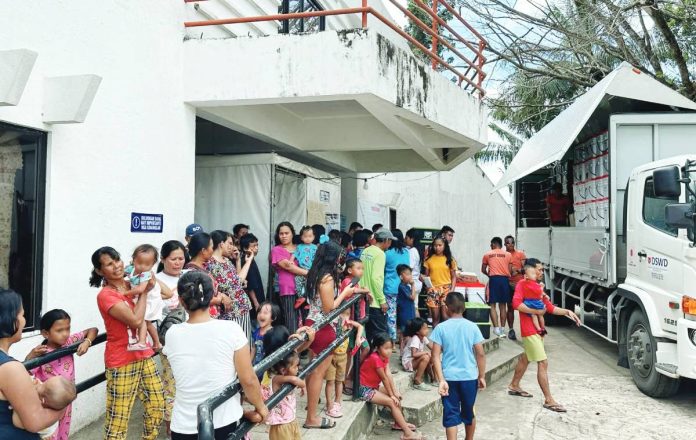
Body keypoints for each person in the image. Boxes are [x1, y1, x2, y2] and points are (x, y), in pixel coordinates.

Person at [163, 271, 268, 439]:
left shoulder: (172, 333)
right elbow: (248, 379)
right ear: (213, 295)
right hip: (222, 421)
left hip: (183, 425)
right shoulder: (231, 329)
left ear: (182, 301)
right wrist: (261, 407)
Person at [90, 247, 164, 440]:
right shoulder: (106, 295)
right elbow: (135, 320)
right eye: (109, 264)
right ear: (100, 271)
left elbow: (164, 292)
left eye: (117, 260)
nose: (117, 266)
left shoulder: (131, 279)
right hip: (121, 361)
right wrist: (145, 292)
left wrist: (151, 279)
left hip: (144, 354)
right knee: (118, 419)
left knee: (157, 404)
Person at [508, 258, 581, 412]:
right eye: (538, 270)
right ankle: (548, 399)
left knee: (526, 357)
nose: (541, 272)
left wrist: (568, 312)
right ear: (529, 271)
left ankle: (514, 385)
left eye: (542, 270)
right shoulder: (522, 284)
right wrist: (535, 311)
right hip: (529, 331)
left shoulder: (538, 287)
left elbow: (549, 308)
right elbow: (516, 304)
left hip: (537, 331)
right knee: (543, 362)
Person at [303, 241, 359, 429]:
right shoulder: (327, 278)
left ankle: (311, 410)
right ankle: (312, 418)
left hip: (312, 322)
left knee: (313, 371)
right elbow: (329, 308)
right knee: (319, 373)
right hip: (324, 327)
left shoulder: (314, 273)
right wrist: (345, 293)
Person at [0, 289, 67, 439]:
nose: (24, 320)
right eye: (22, 315)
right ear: (10, 319)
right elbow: (35, 422)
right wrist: (62, 408)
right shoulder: (9, 369)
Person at [23, 309, 97, 440]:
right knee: (50, 434)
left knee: (63, 432)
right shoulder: (42, 353)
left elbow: (93, 330)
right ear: (46, 333)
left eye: (67, 329)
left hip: (65, 401)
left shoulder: (68, 342)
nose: (65, 334)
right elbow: (25, 373)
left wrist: (87, 342)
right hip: (48, 405)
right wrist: (31, 355)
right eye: (59, 330)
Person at [431, 291, 486, 440]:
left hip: (449, 378)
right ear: (464, 308)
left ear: (447, 308)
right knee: (469, 412)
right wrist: (481, 376)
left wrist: (441, 379)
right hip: (469, 377)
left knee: (451, 415)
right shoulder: (472, 327)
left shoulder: (440, 328)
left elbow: (435, 355)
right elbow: (480, 354)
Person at [358, 333, 423, 439]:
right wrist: (391, 395)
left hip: (372, 387)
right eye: (386, 348)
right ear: (377, 348)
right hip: (363, 389)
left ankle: (399, 424)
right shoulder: (375, 358)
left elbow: (388, 375)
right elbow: (384, 379)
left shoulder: (384, 357)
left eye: (390, 347)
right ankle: (408, 434)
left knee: (397, 396)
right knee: (391, 402)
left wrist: (394, 392)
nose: (389, 351)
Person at [156, 240, 188, 437]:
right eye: (173, 259)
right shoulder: (156, 280)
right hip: (170, 340)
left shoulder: (189, 275)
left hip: (193, 337)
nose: (178, 263)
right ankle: (170, 428)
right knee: (171, 383)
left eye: (181, 259)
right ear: (163, 259)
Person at [260, 325, 315, 440]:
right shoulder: (276, 374)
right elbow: (293, 370)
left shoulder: (281, 364)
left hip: (289, 419)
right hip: (281, 423)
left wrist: (299, 337)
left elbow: (294, 355)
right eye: (287, 343)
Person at [205, 230, 254, 340]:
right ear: (221, 244)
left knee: (244, 342)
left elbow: (239, 280)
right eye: (230, 243)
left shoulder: (226, 261)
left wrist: (243, 261)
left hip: (241, 308)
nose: (232, 247)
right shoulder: (210, 263)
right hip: (228, 312)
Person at [123, 244, 164, 351]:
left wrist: (125, 293)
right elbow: (121, 274)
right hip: (142, 297)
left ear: (153, 264)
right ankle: (157, 343)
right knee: (148, 323)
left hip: (151, 298)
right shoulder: (130, 269)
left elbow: (141, 289)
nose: (142, 267)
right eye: (139, 263)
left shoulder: (146, 274)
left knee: (143, 320)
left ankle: (142, 342)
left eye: (147, 264)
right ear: (133, 259)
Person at [324, 307, 363, 418]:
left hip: (343, 356)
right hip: (331, 356)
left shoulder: (349, 323)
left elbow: (360, 326)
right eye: (342, 313)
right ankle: (329, 405)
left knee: (340, 381)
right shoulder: (333, 323)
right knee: (330, 381)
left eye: (347, 314)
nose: (345, 316)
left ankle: (337, 402)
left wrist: (358, 338)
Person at [272, 222, 307, 335]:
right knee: (291, 321)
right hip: (288, 290)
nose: (284, 236)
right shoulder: (277, 250)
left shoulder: (300, 248)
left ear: (292, 234)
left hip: (304, 289)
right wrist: (309, 273)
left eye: (287, 233)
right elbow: (288, 266)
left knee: (306, 319)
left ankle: (304, 348)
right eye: (281, 233)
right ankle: (293, 351)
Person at [361, 229, 396, 343]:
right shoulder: (380, 254)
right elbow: (376, 278)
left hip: (363, 298)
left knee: (368, 335)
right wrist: (382, 300)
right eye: (390, 241)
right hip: (375, 301)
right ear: (386, 240)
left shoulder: (366, 251)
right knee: (380, 337)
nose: (390, 244)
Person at [185, 232, 230, 319]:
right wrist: (219, 299)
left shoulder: (203, 266)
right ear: (203, 251)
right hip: (203, 318)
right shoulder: (192, 272)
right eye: (211, 247)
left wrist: (222, 295)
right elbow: (196, 299)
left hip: (211, 317)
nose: (213, 250)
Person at [482, 237, 513, 338]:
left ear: (494, 244)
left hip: (494, 280)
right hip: (504, 281)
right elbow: (510, 270)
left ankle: (496, 329)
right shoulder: (508, 255)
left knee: (492, 305)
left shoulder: (487, 254)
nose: (490, 246)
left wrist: (489, 275)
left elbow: (483, 269)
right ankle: (503, 329)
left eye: (491, 244)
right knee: (503, 305)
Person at [423, 237, 457, 327]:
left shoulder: (450, 259)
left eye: (439, 245)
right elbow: (427, 276)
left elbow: (454, 277)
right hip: (433, 289)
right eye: (435, 245)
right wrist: (427, 285)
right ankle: (436, 340)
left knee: (446, 316)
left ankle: (447, 339)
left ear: (444, 246)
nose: (437, 247)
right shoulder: (428, 260)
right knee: (435, 318)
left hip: (446, 289)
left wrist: (452, 290)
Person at [384, 229, 409, 341]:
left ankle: (392, 340)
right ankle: (404, 338)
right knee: (404, 313)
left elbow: (383, 270)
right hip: (404, 287)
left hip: (390, 288)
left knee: (391, 315)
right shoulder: (406, 252)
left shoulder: (387, 254)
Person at [401, 317, 433, 391]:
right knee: (426, 357)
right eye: (424, 329)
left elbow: (432, 347)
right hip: (407, 363)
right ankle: (417, 380)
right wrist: (426, 352)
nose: (427, 330)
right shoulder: (415, 339)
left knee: (432, 357)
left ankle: (433, 378)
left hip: (414, 361)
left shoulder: (423, 337)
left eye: (427, 328)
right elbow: (414, 354)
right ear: (417, 331)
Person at [251, 302, 281, 381]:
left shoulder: (274, 333)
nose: (261, 315)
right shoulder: (256, 332)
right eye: (260, 312)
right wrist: (249, 364)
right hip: (257, 366)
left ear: (273, 318)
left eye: (265, 313)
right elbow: (254, 348)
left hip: (268, 369)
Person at [504, 235, 526, 340]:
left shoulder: (520, 254)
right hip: (508, 284)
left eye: (512, 242)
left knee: (524, 308)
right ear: (505, 244)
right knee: (510, 307)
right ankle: (511, 330)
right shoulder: (503, 255)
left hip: (520, 285)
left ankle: (526, 330)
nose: (510, 245)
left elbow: (526, 269)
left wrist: (517, 270)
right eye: (508, 243)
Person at [294, 226, 318, 309]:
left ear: (314, 237)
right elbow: (294, 255)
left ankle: (310, 302)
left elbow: (317, 259)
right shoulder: (299, 247)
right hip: (301, 269)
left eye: (310, 236)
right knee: (298, 281)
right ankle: (301, 297)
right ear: (301, 237)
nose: (307, 238)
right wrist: (290, 260)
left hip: (311, 270)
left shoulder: (315, 247)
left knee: (311, 286)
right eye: (305, 236)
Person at [240, 233, 264, 312]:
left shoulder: (250, 259)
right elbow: (250, 286)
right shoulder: (246, 262)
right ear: (245, 248)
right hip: (253, 301)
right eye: (253, 246)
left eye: (257, 245)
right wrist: (256, 303)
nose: (257, 248)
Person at [404, 228, 423, 317]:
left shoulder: (412, 251)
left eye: (406, 237)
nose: (405, 239)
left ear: (412, 239)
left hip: (412, 284)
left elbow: (409, 268)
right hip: (416, 283)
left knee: (413, 308)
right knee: (415, 307)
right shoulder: (418, 250)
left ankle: (418, 327)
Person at [396, 264, 417, 342]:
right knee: (404, 331)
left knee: (407, 330)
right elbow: (413, 297)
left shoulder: (407, 287)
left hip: (409, 311)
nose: (410, 276)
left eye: (410, 274)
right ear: (401, 277)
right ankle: (402, 350)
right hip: (404, 312)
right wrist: (413, 285)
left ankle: (403, 350)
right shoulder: (402, 286)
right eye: (408, 274)